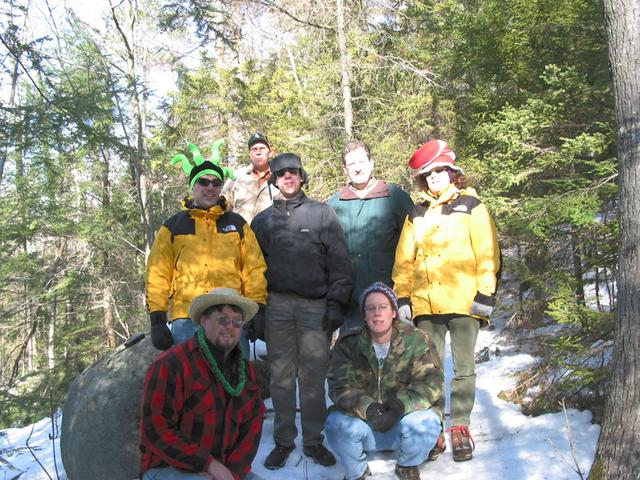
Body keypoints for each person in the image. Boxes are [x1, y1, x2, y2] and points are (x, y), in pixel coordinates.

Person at [392, 139, 501, 462]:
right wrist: (402, 296)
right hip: (426, 306)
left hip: (465, 302)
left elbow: (487, 253)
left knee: (464, 368)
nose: (435, 176)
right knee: (430, 369)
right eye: (428, 173)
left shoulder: (472, 206)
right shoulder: (417, 213)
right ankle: (434, 426)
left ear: (453, 172)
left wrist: (485, 295)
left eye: (440, 170)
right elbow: (404, 260)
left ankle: (461, 426)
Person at [250, 153, 353, 470]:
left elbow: (339, 261)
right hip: (277, 305)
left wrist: (336, 303)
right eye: (282, 174)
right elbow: (253, 270)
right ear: (274, 179)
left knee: (312, 377)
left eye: (293, 172)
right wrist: (257, 311)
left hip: (315, 305)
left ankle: (313, 441)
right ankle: (283, 441)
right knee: (280, 378)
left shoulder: (322, 214)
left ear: (302, 176)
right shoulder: (263, 221)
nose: (288, 177)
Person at [146, 142, 267, 352]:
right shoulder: (173, 226)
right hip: (187, 319)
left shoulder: (238, 224)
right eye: (203, 182)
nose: (210, 187)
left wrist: (258, 310)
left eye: (215, 183)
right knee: (190, 382)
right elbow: (158, 273)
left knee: (234, 381)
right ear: (193, 186)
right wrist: (157, 319)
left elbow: (254, 269)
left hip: (231, 316)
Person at [139, 287, 266, 480]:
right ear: (204, 320)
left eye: (237, 321)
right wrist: (207, 464)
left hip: (223, 470)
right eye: (222, 318)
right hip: (167, 468)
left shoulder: (244, 372)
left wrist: (232, 473)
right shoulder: (172, 364)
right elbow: (155, 429)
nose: (230, 326)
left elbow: (252, 428)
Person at [325, 282, 443, 480]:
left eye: (383, 307)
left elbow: (430, 384)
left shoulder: (417, 340)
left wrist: (399, 405)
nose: (377, 313)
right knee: (334, 423)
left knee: (428, 422)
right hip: (364, 426)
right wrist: (368, 408)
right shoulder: (348, 343)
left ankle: (407, 465)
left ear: (394, 312)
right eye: (370, 308)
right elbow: (339, 385)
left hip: (403, 425)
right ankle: (358, 472)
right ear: (364, 315)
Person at [328, 140, 414, 329]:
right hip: (351, 307)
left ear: (371, 163)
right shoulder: (333, 206)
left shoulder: (396, 199)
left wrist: (407, 297)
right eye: (351, 164)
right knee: (354, 357)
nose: (357, 169)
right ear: (344, 169)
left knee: (392, 356)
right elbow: (327, 257)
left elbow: (415, 249)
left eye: (361, 162)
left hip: (391, 302)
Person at [221, 132, 282, 224]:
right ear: (249, 155)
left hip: (270, 236)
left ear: (270, 153)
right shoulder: (236, 177)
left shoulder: (280, 178)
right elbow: (222, 207)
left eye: (262, 148)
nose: (258, 152)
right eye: (254, 149)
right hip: (240, 235)